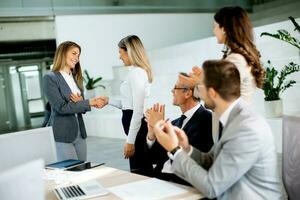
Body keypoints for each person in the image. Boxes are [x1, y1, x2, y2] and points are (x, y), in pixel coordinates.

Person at [153, 60, 282, 199]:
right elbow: (211, 160)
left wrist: (175, 150)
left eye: (200, 88)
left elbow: (212, 187)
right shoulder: (235, 118)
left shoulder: (245, 128)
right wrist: (185, 147)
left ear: (212, 92)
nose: (198, 94)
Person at [180, 6, 265, 105]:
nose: (214, 31)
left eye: (215, 27)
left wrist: (198, 83)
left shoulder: (235, 60)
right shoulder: (236, 58)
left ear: (224, 29)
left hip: (233, 119)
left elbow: (219, 99)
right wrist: (203, 80)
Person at [99, 35, 153, 175]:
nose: (119, 57)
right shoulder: (135, 73)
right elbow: (128, 104)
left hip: (138, 131)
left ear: (129, 52)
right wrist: (108, 100)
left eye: (120, 52)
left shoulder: (137, 74)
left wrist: (130, 141)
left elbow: (137, 110)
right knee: (138, 170)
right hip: (136, 129)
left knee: (140, 172)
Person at [145, 72, 213, 184]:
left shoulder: (207, 119)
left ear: (187, 94)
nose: (172, 91)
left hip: (180, 182)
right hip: (159, 179)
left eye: (175, 88)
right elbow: (154, 158)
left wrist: (160, 128)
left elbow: (191, 161)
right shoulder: (174, 123)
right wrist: (152, 133)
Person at [43, 41, 101, 161]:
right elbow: (61, 107)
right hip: (63, 133)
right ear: (63, 53)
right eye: (74, 53)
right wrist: (87, 102)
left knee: (82, 171)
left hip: (80, 133)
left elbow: (81, 106)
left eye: (78, 55)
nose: (76, 58)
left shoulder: (76, 78)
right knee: (72, 173)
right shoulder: (50, 78)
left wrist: (82, 102)